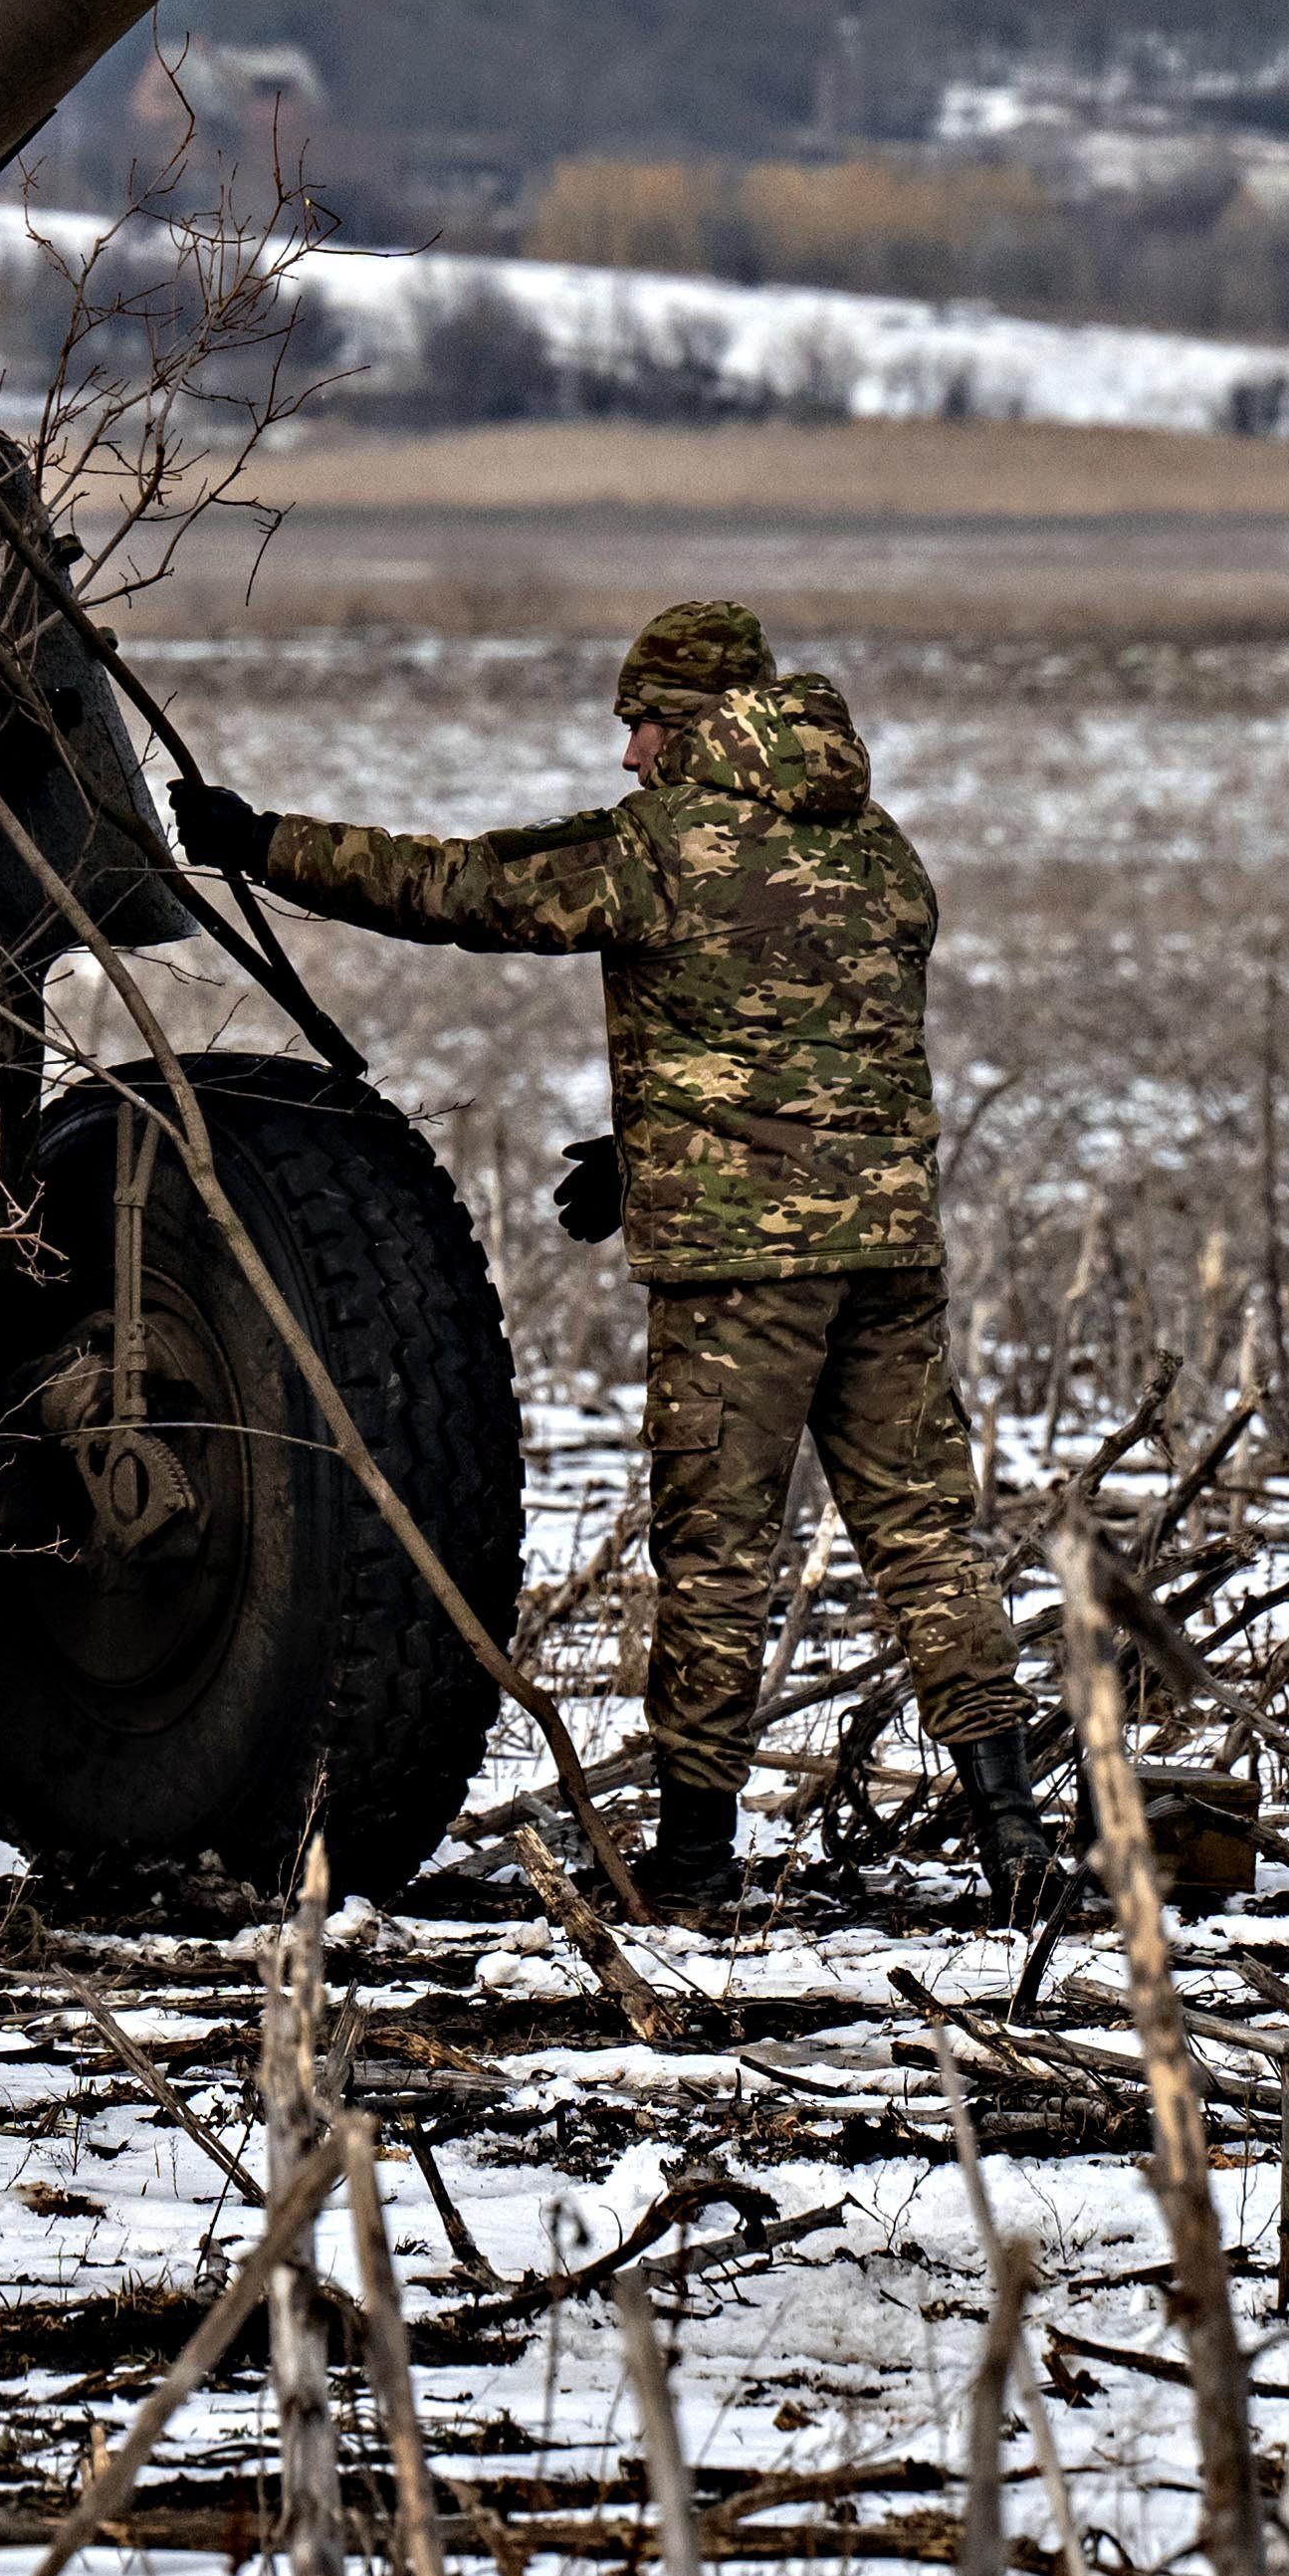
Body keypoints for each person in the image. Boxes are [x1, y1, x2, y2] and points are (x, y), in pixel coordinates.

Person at [167, 598, 1087, 1921]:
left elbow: (462, 889)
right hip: (886, 1247)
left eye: (641, 724)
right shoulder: (879, 852)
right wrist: (651, 1150)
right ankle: (1016, 1835)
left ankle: (697, 1856)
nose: (628, 757)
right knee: (927, 1537)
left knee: (716, 1554)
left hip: (740, 1271)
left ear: (699, 720)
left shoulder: (666, 848)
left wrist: (264, 846)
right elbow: (803, 1052)